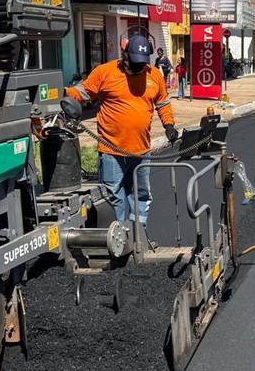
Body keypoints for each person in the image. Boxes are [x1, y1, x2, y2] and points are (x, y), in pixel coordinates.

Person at [66, 35, 178, 230]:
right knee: (112, 197)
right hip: (111, 152)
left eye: (142, 65)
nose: (138, 69)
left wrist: (169, 125)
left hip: (141, 152)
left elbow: (163, 103)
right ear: (125, 55)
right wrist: (64, 95)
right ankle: (115, 240)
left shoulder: (154, 75)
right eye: (134, 65)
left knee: (141, 196)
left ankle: (138, 238)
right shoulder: (105, 72)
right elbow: (82, 93)